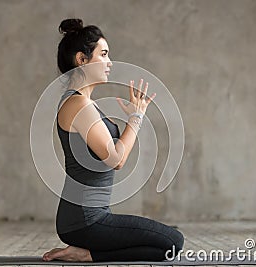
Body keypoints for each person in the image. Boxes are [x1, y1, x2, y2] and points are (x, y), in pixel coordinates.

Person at [42, 18, 184, 262]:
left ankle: (86, 253)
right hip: (86, 220)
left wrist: (133, 118)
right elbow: (116, 159)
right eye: (104, 54)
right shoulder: (79, 105)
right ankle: (87, 255)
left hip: (84, 218)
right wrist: (136, 118)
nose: (109, 63)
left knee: (168, 244)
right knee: (173, 243)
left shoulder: (84, 104)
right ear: (82, 59)